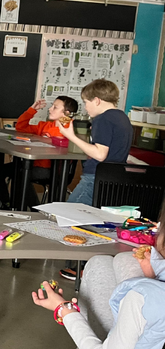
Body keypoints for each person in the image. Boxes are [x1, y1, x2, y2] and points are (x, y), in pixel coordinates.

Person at [32, 203, 165, 349]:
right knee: (109, 263)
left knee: (98, 265)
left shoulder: (141, 298)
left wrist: (64, 310)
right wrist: (151, 278)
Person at [54, 79, 134, 280]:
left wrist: (69, 135)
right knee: (94, 222)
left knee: (69, 217)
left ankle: (78, 267)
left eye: (87, 102)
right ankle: (87, 265)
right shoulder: (122, 118)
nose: (86, 108)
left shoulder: (103, 119)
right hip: (114, 178)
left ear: (97, 100)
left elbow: (100, 154)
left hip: (95, 176)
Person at [4, 95, 78, 206]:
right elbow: (21, 126)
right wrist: (32, 110)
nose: (50, 109)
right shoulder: (45, 126)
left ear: (67, 113)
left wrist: (48, 138)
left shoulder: (70, 129)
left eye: (55, 107)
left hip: (52, 169)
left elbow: (65, 142)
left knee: (20, 173)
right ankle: (6, 203)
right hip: (35, 164)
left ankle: (33, 207)